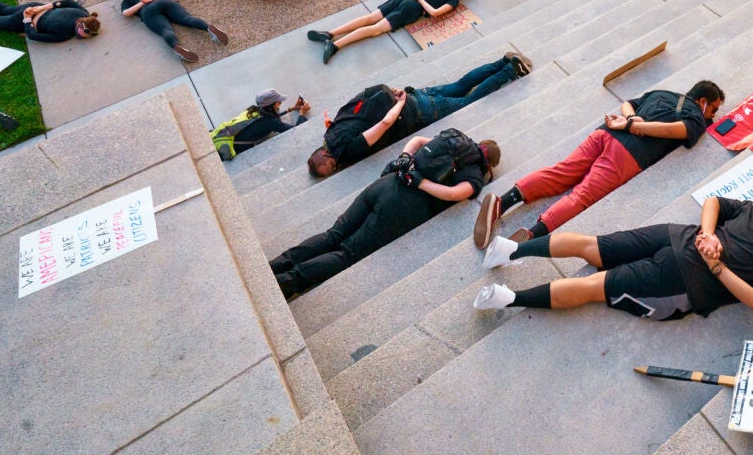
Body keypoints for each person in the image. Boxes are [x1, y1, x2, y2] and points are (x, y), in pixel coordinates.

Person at [473, 197, 753, 319]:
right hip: (684, 278)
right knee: (593, 286)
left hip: (676, 235)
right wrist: (716, 265)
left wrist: (707, 234)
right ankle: (507, 299)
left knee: (590, 244)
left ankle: (511, 249)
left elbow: (714, 202)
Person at [472, 81, 724, 247]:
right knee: (581, 197)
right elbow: (673, 130)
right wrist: (634, 126)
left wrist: (631, 119)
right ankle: (529, 236)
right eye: (713, 109)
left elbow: (628, 104)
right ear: (703, 101)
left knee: (561, 172)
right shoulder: (695, 117)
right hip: (629, 154)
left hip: (606, 132)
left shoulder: (663, 93)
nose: (713, 115)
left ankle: (502, 202)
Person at [270, 128, 500, 297]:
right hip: (401, 207)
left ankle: (277, 265)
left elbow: (417, 140)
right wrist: (419, 183)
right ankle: (286, 283)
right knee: (348, 254)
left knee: (334, 234)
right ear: (488, 165)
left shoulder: (454, 141)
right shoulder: (474, 175)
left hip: (387, 182)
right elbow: (452, 194)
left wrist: (405, 158)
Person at [307, 53, 531, 177]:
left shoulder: (348, 150)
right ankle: (503, 62)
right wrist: (396, 93)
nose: (336, 167)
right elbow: (366, 96)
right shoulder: (332, 130)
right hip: (415, 95)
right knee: (460, 85)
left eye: (332, 166)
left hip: (416, 111)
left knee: (467, 101)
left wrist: (400, 103)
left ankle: (512, 69)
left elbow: (385, 123)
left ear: (325, 155)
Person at [307, 0, 479, 64]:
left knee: (369, 18)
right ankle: (335, 45)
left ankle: (330, 33)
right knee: (375, 30)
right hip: (412, 8)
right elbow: (434, 13)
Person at [118, 0, 229, 63]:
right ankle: (208, 28)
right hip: (163, 1)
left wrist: (143, 2)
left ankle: (176, 46)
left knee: (165, 30)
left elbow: (126, 13)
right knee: (187, 19)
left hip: (147, 11)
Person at [211, 90, 310, 160]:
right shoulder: (270, 122)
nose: (280, 103)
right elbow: (296, 130)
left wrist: (292, 108)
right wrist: (302, 114)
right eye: (279, 102)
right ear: (272, 105)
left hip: (217, 140)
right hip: (222, 154)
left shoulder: (254, 110)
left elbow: (270, 117)